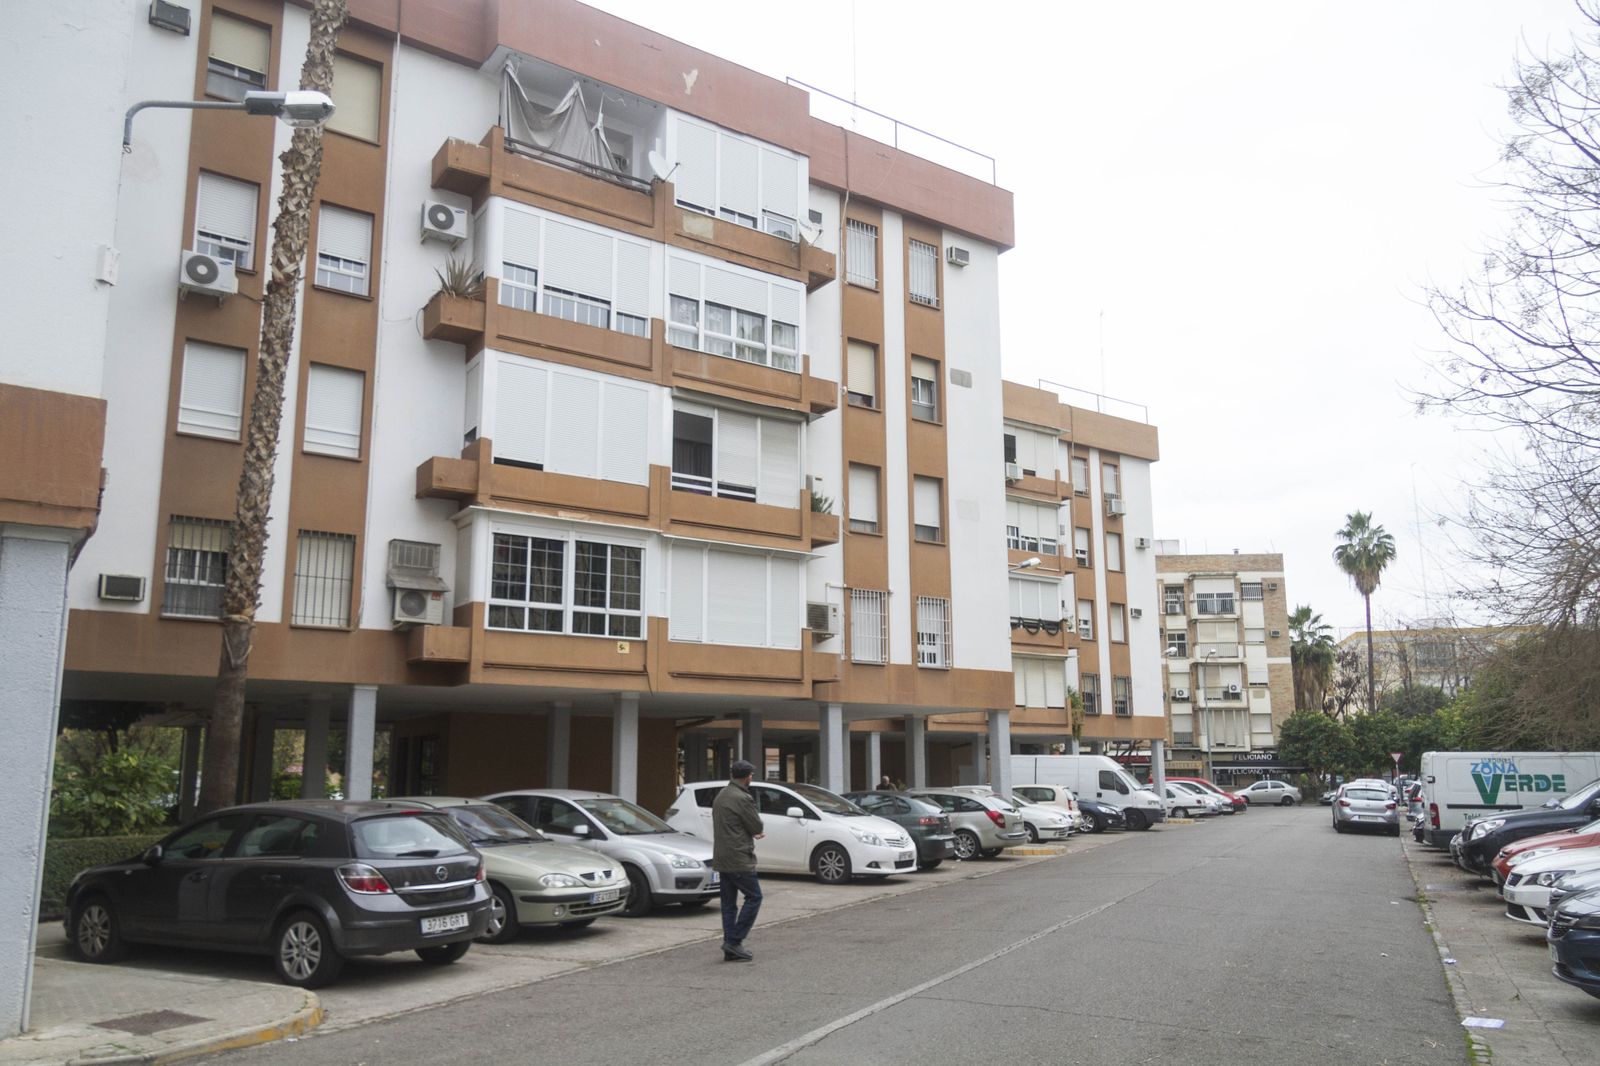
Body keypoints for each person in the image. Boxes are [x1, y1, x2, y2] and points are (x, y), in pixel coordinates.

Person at [712, 759, 764, 961]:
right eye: (751, 775)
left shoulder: (721, 795)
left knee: (728, 904)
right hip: (739, 857)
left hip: (722, 857)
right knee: (754, 897)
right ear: (746, 776)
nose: (752, 777)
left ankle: (730, 947)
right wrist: (754, 832)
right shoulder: (742, 797)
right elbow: (756, 825)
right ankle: (734, 941)